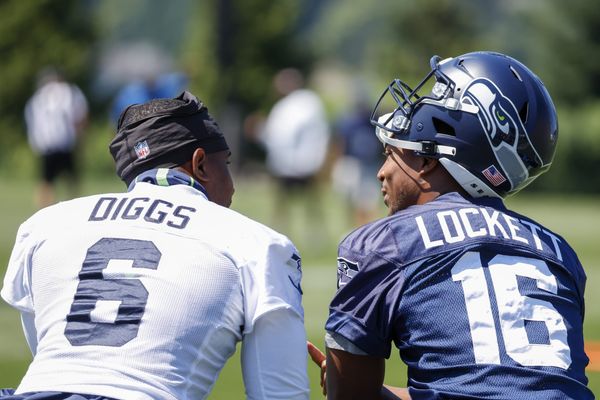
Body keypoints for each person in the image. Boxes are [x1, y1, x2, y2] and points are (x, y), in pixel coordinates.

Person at [309, 51, 593, 399]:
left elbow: (352, 396)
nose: (382, 172)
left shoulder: (386, 242)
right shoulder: (558, 252)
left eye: (391, 153)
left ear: (428, 158)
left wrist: (344, 378)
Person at [2, 91, 309, 399]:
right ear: (200, 164)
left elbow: (48, 364)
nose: (233, 185)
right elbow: (281, 395)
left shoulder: (44, 225)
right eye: (225, 163)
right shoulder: (257, 245)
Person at [259, 68, 330, 235]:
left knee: (307, 204)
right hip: (292, 163)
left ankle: (313, 233)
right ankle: (284, 232)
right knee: (286, 205)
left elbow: (280, 135)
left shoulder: (303, 104)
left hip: (299, 163)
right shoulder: (298, 104)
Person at [24, 67, 88, 208]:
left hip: (46, 144)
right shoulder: (69, 92)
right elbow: (80, 116)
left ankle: (44, 211)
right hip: (65, 142)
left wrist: (36, 142)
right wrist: (81, 138)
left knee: (46, 180)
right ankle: (74, 208)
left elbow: (31, 119)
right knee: (71, 180)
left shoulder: (38, 97)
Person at [331, 94, 383, 226]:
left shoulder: (374, 121)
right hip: (351, 164)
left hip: (369, 165)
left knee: (366, 201)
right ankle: (353, 228)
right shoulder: (349, 122)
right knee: (349, 201)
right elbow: (340, 143)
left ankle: (365, 228)